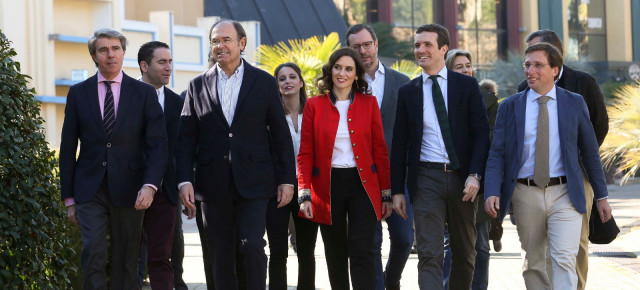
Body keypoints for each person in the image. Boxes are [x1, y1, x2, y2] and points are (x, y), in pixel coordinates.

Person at [176, 19, 296, 290]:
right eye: (216, 40)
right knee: (220, 254)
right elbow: (185, 139)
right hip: (212, 184)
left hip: (255, 182)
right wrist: (184, 180)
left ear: (242, 44)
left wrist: (287, 179)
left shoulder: (263, 82)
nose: (221, 45)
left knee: (252, 246)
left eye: (227, 40)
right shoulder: (197, 86)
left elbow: (280, 135)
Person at [484, 42, 613, 289]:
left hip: (565, 192)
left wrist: (602, 196)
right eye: (528, 65)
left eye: (538, 65)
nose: (531, 71)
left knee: (564, 258)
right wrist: (491, 190)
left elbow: (589, 152)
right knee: (534, 262)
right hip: (525, 193)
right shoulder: (510, 106)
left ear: (555, 69)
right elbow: (497, 153)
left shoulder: (574, 102)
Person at [59, 28, 167, 289]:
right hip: (89, 188)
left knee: (127, 259)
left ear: (124, 53)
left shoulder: (143, 94)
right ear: (94, 56)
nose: (110, 55)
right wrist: (69, 198)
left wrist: (150, 186)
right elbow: (67, 147)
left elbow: (158, 145)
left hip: (131, 188)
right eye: (103, 50)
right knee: (93, 253)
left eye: (116, 49)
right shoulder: (78, 93)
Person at [390, 24, 490, 290]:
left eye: (427, 45)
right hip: (425, 179)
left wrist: (476, 175)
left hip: (462, 179)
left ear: (443, 49)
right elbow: (399, 144)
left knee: (466, 253)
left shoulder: (467, 86)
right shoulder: (408, 92)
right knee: (429, 253)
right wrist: (397, 190)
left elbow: (481, 135)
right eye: (417, 45)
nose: (420, 50)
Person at [516, 29, 609, 290]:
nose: (531, 65)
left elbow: (599, 127)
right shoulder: (525, 88)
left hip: (577, 174)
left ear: (555, 59)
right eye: (528, 59)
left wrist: (575, 159)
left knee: (575, 244)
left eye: (538, 57)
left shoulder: (584, 83)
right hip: (535, 181)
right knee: (541, 249)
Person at [297, 47, 393, 290]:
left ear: (357, 75)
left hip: (363, 185)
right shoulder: (313, 105)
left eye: (349, 69)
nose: (343, 73)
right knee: (335, 252)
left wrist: (386, 193)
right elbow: (305, 153)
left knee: (362, 250)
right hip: (327, 186)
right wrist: (304, 192)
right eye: (338, 67)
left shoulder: (369, 103)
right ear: (331, 70)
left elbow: (380, 150)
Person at [345, 24, 413, 290]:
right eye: (356, 46)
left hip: (398, 174)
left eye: (366, 44)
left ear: (376, 44)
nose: (362, 51)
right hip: (360, 176)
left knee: (404, 238)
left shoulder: (402, 83)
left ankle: (391, 279)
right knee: (369, 244)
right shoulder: (345, 84)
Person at [441, 49, 499, 290]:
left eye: (468, 65)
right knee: (451, 244)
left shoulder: (487, 98)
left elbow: (492, 140)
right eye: (458, 67)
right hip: (449, 180)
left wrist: (478, 176)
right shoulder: (441, 97)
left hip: (481, 182)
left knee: (481, 245)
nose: (465, 70)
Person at [135, 41, 185, 290]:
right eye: (162, 62)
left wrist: (186, 186)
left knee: (162, 256)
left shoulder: (178, 103)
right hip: (129, 190)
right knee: (129, 258)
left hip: (166, 192)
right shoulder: (125, 98)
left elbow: (183, 149)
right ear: (144, 66)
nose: (168, 68)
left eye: (170, 62)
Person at [265, 62, 319, 290]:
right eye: (281, 78)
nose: (287, 81)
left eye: (292, 77)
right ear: (276, 85)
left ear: (301, 82)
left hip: (309, 189)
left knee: (306, 250)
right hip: (277, 189)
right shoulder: (269, 117)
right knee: (278, 250)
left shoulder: (314, 112)